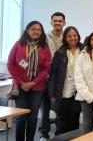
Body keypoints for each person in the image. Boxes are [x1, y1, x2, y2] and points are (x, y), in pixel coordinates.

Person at [7, 21, 51, 141]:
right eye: (33, 29)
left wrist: (32, 83)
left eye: (39, 30)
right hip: (20, 87)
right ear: (27, 30)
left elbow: (46, 69)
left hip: (37, 87)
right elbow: (11, 65)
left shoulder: (45, 48)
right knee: (21, 116)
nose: (36, 31)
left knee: (32, 117)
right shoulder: (18, 45)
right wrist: (22, 83)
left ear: (41, 32)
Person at [48, 26, 83, 135]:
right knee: (62, 124)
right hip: (62, 93)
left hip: (77, 93)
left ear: (78, 36)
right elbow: (53, 75)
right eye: (69, 36)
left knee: (74, 124)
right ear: (65, 38)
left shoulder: (84, 51)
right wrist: (52, 94)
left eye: (75, 35)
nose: (72, 38)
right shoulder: (60, 53)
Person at [39, 11, 66, 140]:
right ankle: (44, 134)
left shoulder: (68, 37)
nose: (57, 23)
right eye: (55, 21)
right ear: (51, 22)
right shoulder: (44, 37)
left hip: (61, 79)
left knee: (59, 107)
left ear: (64, 23)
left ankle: (59, 134)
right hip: (47, 77)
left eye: (60, 21)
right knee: (46, 108)